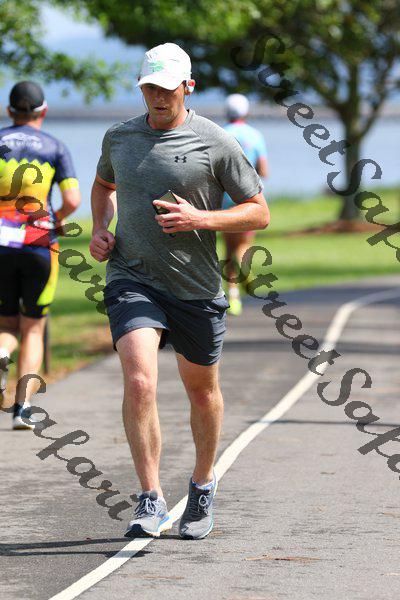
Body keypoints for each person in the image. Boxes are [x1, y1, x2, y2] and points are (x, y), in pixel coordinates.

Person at [89, 43, 270, 540]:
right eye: (150, 87)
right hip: (132, 277)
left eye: (167, 88)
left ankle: (203, 483)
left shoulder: (216, 141)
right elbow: (103, 186)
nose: (158, 97)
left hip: (195, 286)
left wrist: (201, 219)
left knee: (202, 391)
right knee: (139, 382)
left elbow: (259, 211)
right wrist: (100, 228)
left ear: (188, 87)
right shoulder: (120, 137)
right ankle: (150, 497)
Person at [0, 81, 80, 429]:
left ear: (9, 111)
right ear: (43, 111)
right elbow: (73, 200)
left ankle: (2, 352)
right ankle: (22, 408)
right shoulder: (55, 147)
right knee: (33, 327)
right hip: (39, 243)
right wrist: (55, 220)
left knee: (5, 324)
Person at [222, 94, 269, 316]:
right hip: (248, 198)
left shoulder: (220, 134)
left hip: (224, 199)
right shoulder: (255, 135)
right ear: (246, 112)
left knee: (228, 247)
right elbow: (264, 171)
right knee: (242, 245)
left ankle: (233, 296)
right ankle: (244, 267)